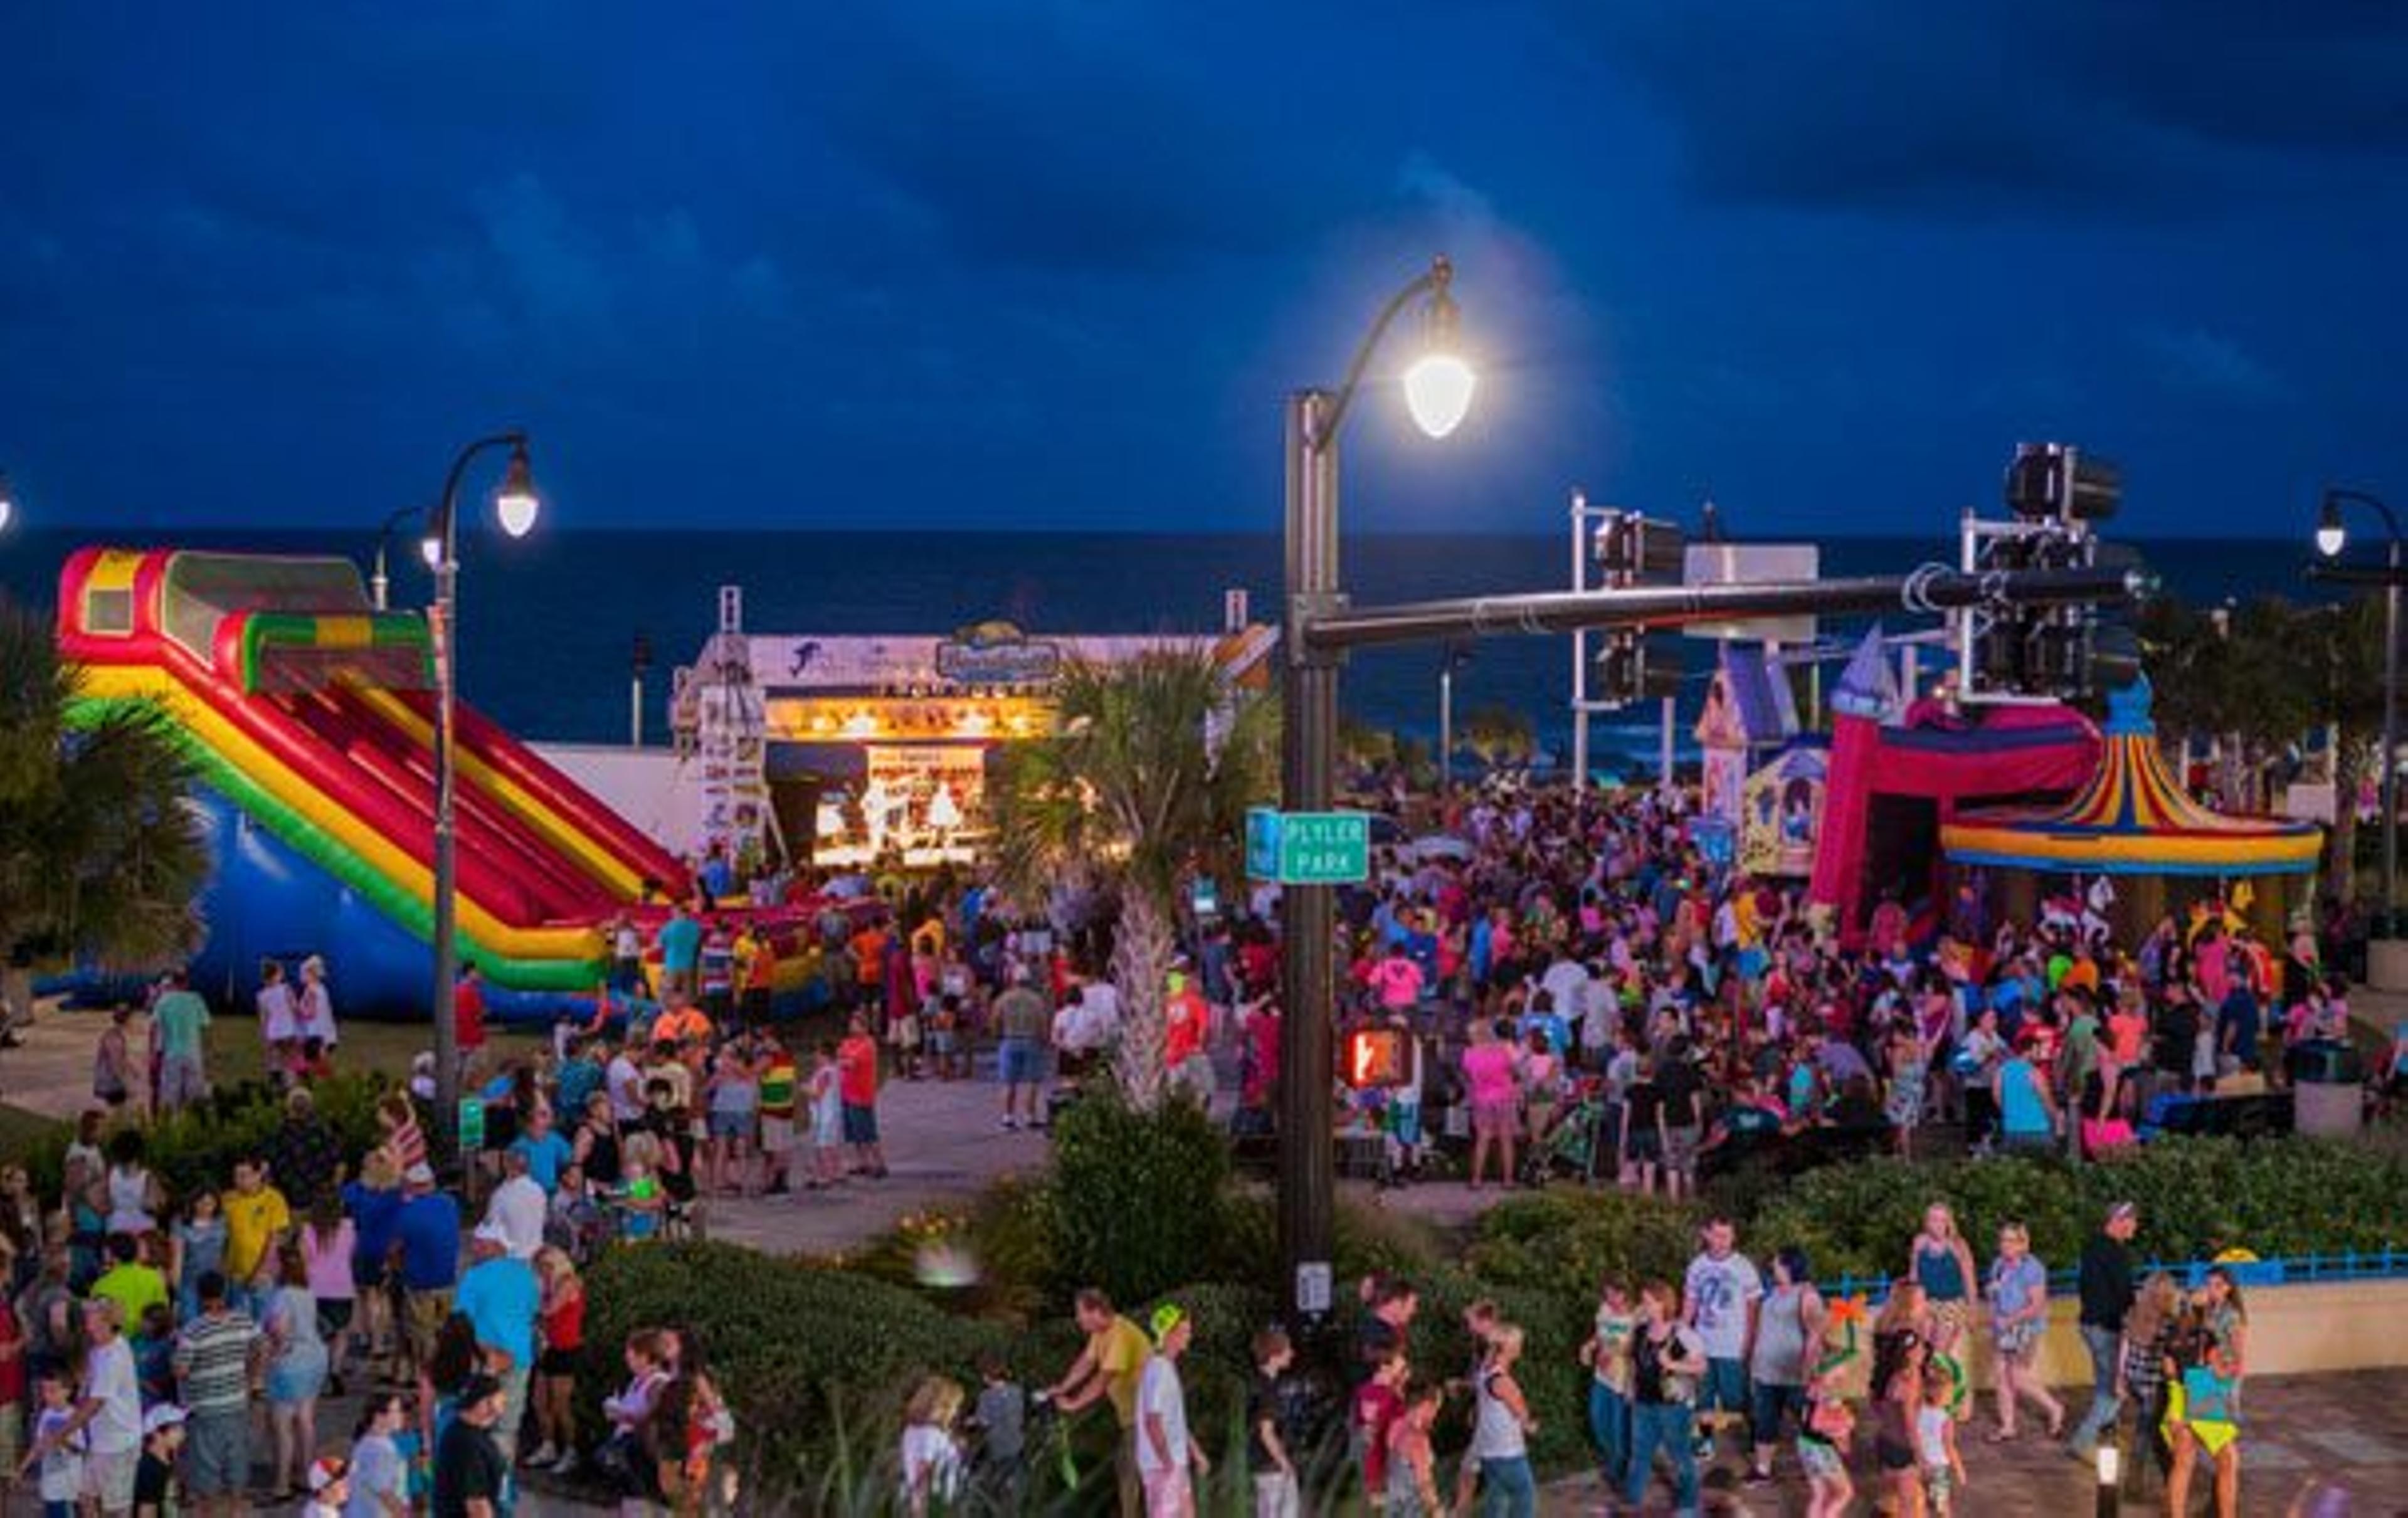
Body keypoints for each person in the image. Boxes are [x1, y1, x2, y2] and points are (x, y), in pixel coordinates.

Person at [1043, 1288, 1152, 1518]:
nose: (1077, 1318)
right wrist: (1063, 1387)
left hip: (1149, 1414)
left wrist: (1074, 1404)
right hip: (1132, 1416)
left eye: (1079, 1312)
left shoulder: (1121, 1333)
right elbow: (1086, 1362)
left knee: (1128, 1468)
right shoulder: (1101, 1333)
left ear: (1095, 1312)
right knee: (1126, 1467)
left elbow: (1104, 1378)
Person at [169, 1272, 258, 1518]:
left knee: (206, 1469)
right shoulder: (244, 1321)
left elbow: (181, 1370)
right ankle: (236, 1511)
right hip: (237, 1402)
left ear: (200, 1297)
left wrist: (174, 1350)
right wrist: (251, 1379)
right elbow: (261, 1346)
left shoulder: (194, 1330)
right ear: (224, 1292)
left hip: (205, 1409)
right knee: (236, 1460)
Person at [2163, 1267, 2247, 1518]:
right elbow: (2225, 1367)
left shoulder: (2229, 1317)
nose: (2211, 1290)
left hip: (2192, 1390)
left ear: (2229, 1288)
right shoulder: (2202, 1320)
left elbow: (2238, 1361)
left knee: (2187, 1459)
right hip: (2202, 1390)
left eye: (2218, 1285)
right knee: (2223, 1460)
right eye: (2209, 1284)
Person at [454, 1220, 539, 1463]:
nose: (475, 1249)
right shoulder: (525, 1274)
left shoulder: (474, 1276)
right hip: (519, 1357)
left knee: (476, 1422)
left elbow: (461, 1321)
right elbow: (532, 1312)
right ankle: (502, 1485)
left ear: (496, 1246)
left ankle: (480, 1482)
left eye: (480, 1244)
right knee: (507, 1427)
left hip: (483, 1357)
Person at [1682, 1215, 1761, 1463]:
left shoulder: (1743, 1266)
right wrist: (1682, 1333)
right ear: (1706, 1234)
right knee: (1703, 1397)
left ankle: (1756, 1437)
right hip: (1703, 1345)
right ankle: (1704, 1442)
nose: (1722, 1241)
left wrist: (1749, 1340)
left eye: (1727, 1235)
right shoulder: (1697, 1266)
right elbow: (1691, 1301)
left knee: (1736, 1398)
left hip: (1732, 1346)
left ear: (1733, 1236)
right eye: (1717, 1235)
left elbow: (1753, 1307)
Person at [1622, 1282, 1704, 1515]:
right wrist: (1630, 1386)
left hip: (1674, 1407)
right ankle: (1631, 1505)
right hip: (1643, 1404)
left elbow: (1701, 1366)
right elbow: (1634, 1362)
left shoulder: (1682, 1333)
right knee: (1639, 1457)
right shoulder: (1640, 1330)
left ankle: (1688, 1508)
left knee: (1680, 1458)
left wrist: (1671, 1364)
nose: (1644, 1306)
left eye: (1649, 1301)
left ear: (1663, 1304)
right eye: (1643, 1301)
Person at [1745, 1247, 1824, 1487]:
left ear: (1790, 1265)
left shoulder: (1807, 1294)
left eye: (1777, 1262)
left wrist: (1808, 1368)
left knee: (1809, 1424)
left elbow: (1815, 1334)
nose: (1773, 1265)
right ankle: (1762, 1470)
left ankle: (1820, 1470)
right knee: (1765, 1422)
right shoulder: (1773, 1293)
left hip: (1794, 1374)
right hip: (1765, 1373)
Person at [2067, 1200, 2139, 1461]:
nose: (2136, 1226)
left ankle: (2105, 1432)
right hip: (2106, 1328)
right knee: (2114, 1392)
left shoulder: (2092, 1247)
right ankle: (2082, 1442)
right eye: (2132, 1221)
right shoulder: (2116, 1253)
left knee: (2105, 1387)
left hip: (2089, 1324)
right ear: (2118, 1221)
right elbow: (2125, 1295)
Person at [1983, 1222, 2064, 1442]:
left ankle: (2055, 1408)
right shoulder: (1998, 1265)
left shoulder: (2032, 1268)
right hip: (2003, 1327)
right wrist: (1993, 1316)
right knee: (2001, 1375)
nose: (2005, 1245)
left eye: (2010, 1241)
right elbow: (1993, 1296)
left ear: (2022, 1244)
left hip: (2026, 1327)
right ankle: (2008, 1426)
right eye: (2002, 1240)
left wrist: (2009, 1320)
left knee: (2017, 1375)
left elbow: (2036, 1305)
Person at [263, 1242, 330, 1502]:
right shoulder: (306, 1291)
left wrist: (274, 1351)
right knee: (305, 1420)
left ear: (280, 1266)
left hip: (292, 1362)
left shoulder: (281, 1295)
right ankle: (306, 1475)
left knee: (283, 1426)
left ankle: (282, 1484)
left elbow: (279, 1329)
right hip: (315, 1357)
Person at [528, 1247, 585, 1474]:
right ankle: (548, 1445)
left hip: (566, 1350)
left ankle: (571, 1451)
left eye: (543, 1266)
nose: (539, 1272)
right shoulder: (547, 1285)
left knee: (561, 1405)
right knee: (539, 1401)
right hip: (548, 1349)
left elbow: (549, 1311)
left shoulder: (568, 1282)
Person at [1580, 1277, 1635, 1493]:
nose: (1609, 1298)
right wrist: (1589, 1346)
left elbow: (1635, 1351)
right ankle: (1613, 1461)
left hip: (1621, 1382)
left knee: (1618, 1429)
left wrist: (1613, 1353)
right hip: (1601, 1377)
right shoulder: (1604, 1310)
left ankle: (1619, 1474)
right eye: (1606, 1294)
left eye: (1613, 1294)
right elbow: (1599, 1335)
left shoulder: (1634, 1318)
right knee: (1597, 1420)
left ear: (1624, 1294)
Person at [432, 1371, 509, 1518]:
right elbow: (477, 1506)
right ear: (484, 1403)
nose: (504, 1402)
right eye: (500, 1398)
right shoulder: (467, 1446)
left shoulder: (466, 1430)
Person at [1245, 1326, 1299, 1518]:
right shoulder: (1268, 1389)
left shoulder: (1257, 1383)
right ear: (1275, 1354)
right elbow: (1266, 1433)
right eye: (1288, 1349)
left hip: (1261, 1468)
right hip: (1273, 1469)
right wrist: (1285, 1463)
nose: (1293, 1354)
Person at [993, 967, 1052, 1131]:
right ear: (1028, 981)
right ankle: (1030, 1117)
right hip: (1031, 1040)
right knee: (1032, 1081)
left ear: (1013, 980)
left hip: (1009, 1040)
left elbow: (995, 1018)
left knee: (1008, 1082)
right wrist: (1045, 1039)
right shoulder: (1036, 1000)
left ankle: (1008, 1118)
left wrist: (998, 1034)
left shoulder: (1004, 999)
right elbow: (1043, 1021)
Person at [898, 1375, 964, 1517]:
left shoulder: (911, 1430)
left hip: (914, 1500)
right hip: (933, 1505)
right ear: (941, 1406)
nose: (956, 1412)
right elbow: (923, 1469)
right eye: (955, 1406)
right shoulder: (931, 1434)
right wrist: (922, 1509)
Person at [26, 1368, 86, 1518]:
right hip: (50, 1482)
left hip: (69, 1486)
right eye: (44, 1391)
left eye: (53, 1390)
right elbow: (38, 1445)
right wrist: (23, 1467)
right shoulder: (45, 1414)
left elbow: (80, 1449)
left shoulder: (75, 1415)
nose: (47, 1396)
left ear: (68, 1391)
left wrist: (61, 1440)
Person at [836, 1015, 889, 1179]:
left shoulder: (868, 1044)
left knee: (868, 1132)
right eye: (851, 1024)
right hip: (847, 1093)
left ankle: (880, 1164)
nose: (852, 1027)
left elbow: (849, 1063)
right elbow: (840, 1056)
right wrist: (844, 1059)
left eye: (855, 1025)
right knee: (854, 1133)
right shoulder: (849, 1042)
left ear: (865, 1027)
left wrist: (845, 1060)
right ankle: (863, 1163)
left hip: (862, 1094)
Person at [346, 1393, 412, 1518]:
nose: (402, 1416)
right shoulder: (380, 1450)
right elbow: (386, 1494)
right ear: (379, 1416)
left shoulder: (368, 1442)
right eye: (397, 1411)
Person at [1916, 1366, 1967, 1516]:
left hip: (1919, 1462)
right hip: (1938, 1466)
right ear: (1940, 1394)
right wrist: (1959, 1469)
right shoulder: (1945, 1418)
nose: (1952, 1396)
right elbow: (1949, 1446)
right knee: (1942, 1503)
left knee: (1920, 1500)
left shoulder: (1917, 1410)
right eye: (1950, 1392)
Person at [131, 1403, 182, 1518]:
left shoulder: (167, 1461)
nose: (183, 1434)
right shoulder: (149, 1469)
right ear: (157, 1434)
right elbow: (146, 1512)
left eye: (182, 1428)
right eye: (176, 1429)